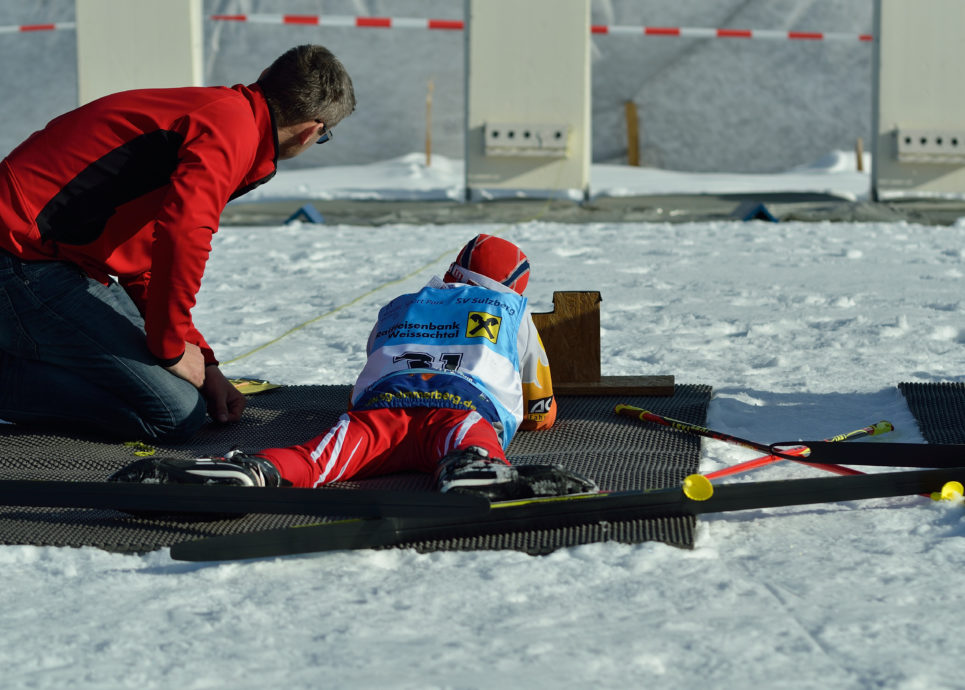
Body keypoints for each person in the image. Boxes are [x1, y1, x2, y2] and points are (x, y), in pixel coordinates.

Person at [0, 45, 356, 442]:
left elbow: (145, 256)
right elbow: (184, 234)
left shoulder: (224, 114)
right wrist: (170, 348)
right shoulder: (229, 129)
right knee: (174, 412)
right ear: (312, 131)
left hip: (49, 257)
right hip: (20, 257)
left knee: (189, 393)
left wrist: (205, 362)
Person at [111, 235, 598, 500]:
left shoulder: (402, 304)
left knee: (314, 461)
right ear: (515, 290)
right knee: (471, 440)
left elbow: (365, 379)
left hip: (382, 409)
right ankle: (474, 467)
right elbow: (540, 409)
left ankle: (253, 472)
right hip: (461, 408)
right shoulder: (512, 315)